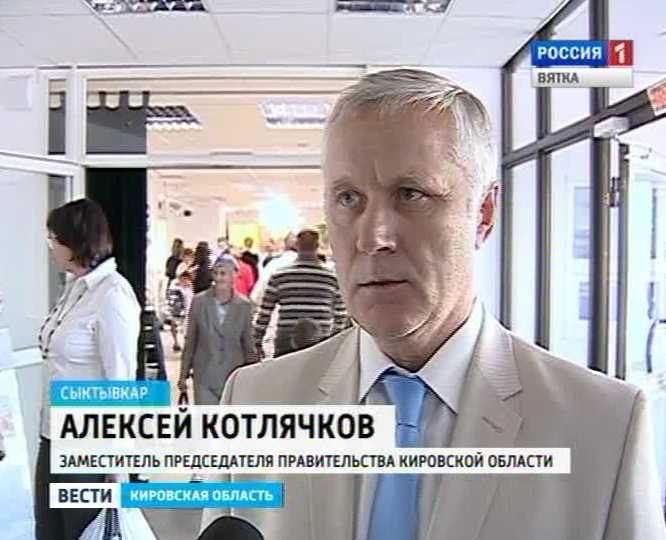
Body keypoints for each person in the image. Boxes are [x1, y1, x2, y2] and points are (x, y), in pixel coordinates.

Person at [202, 69, 666, 539]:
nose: (373, 237)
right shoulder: (254, 402)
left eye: (411, 194)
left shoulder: (603, 428)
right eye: (348, 198)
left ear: (483, 213)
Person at [36, 198, 140, 540]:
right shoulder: (74, 289)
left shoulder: (113, 295)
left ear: (75, 241)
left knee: (82, 532)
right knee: (48, 532)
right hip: (52, 437)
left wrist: (118, 467)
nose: (51, 246)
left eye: (54, 238)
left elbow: (122, 383)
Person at [253, 229, 349, 358]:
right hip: (321, 341)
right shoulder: (331, 278)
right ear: (317, 246)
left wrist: (257, 341)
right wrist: (333, 340)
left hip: (286, 341)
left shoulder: (280, 275)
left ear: (296, 245)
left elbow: (264, 313)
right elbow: (341, 314)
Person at [178, 257, 256, 406]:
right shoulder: (199, 302)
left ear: (234, 275)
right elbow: (191, 340)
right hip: (204, 376)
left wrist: (254, 373)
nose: (218, 278)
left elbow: (248, 344)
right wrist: (183, 374)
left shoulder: (244, 305)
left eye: (223, 273)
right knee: (207, 418)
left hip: (233, 376)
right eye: (216, 273)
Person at [167, 269, 193, 352]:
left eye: (186, 277)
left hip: (188, 309)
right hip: (177, 309)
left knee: (187, 328)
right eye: (183, 276)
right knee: (174, 324)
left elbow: (191, 297)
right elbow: (172, 298)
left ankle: (186, 344)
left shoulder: (190, 285)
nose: (184, 279)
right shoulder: (174, 284)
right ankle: (176, 342)